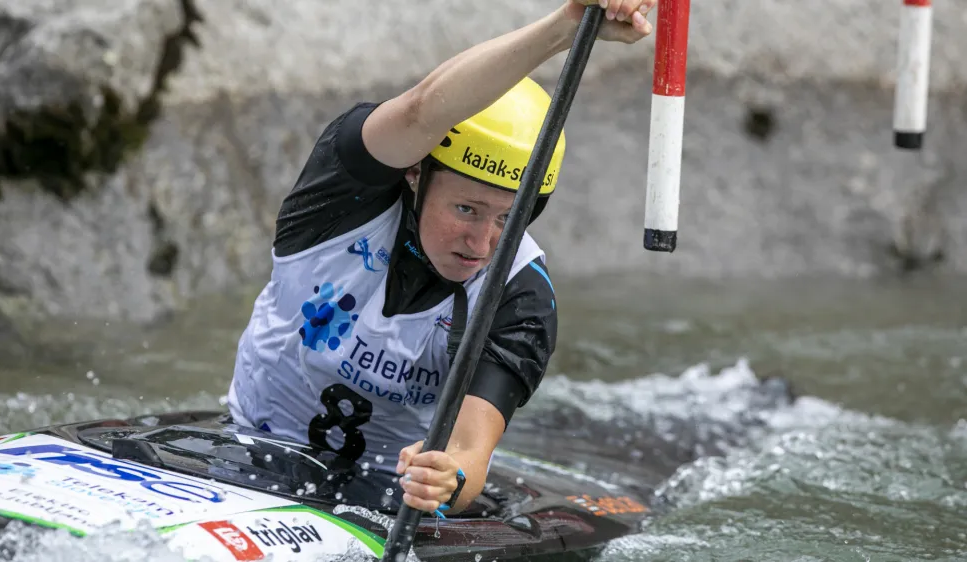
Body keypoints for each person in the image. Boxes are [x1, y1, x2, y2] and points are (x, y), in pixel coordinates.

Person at [227, 0, 656, 517]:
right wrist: (567, 26)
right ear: (415, 173)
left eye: (505, 219)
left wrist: (446, 481)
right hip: (244, 448)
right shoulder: (342, 194)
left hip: (385, 497)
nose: (480, 243)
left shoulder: (520, 294)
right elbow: (421, 109)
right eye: (466, 208)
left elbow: (471, 452)